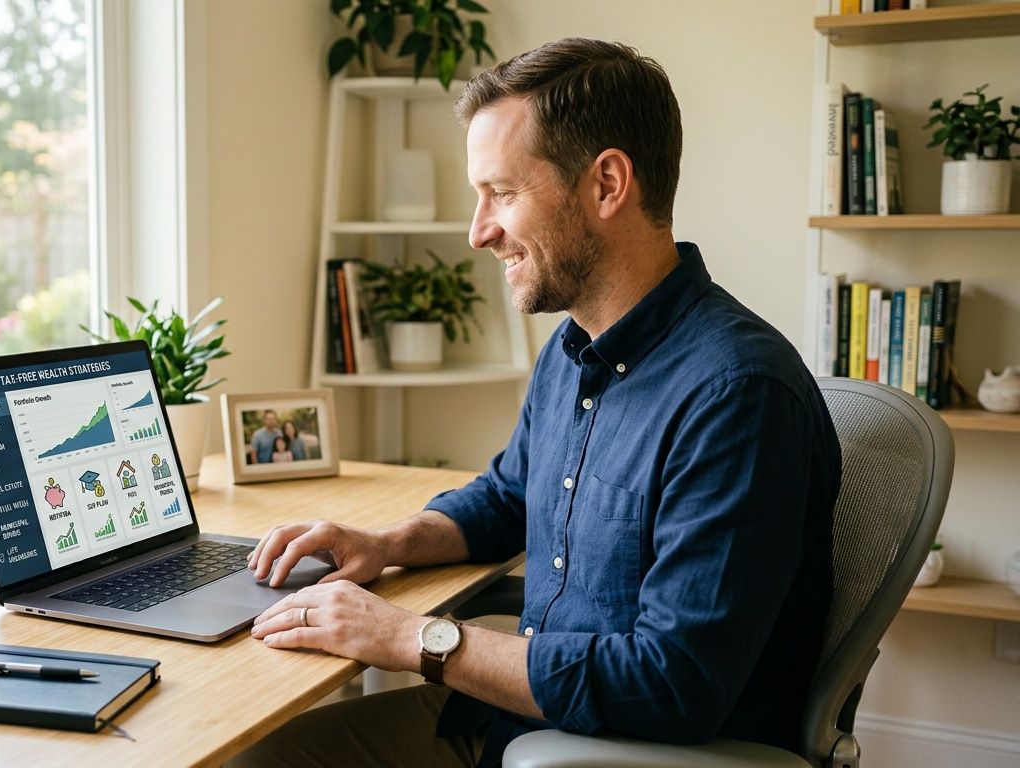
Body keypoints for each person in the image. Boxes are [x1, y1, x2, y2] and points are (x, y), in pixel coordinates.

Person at [230, 37, 840, 768]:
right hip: (520, 720)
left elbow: (674, 684)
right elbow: (508, 496)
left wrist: (408, 638)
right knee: (263, 758)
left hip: (624, 749)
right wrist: (386, 544)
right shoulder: (575, 345)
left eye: (503, 193)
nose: (478, 231)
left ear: (607, 184)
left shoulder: (738, 394)